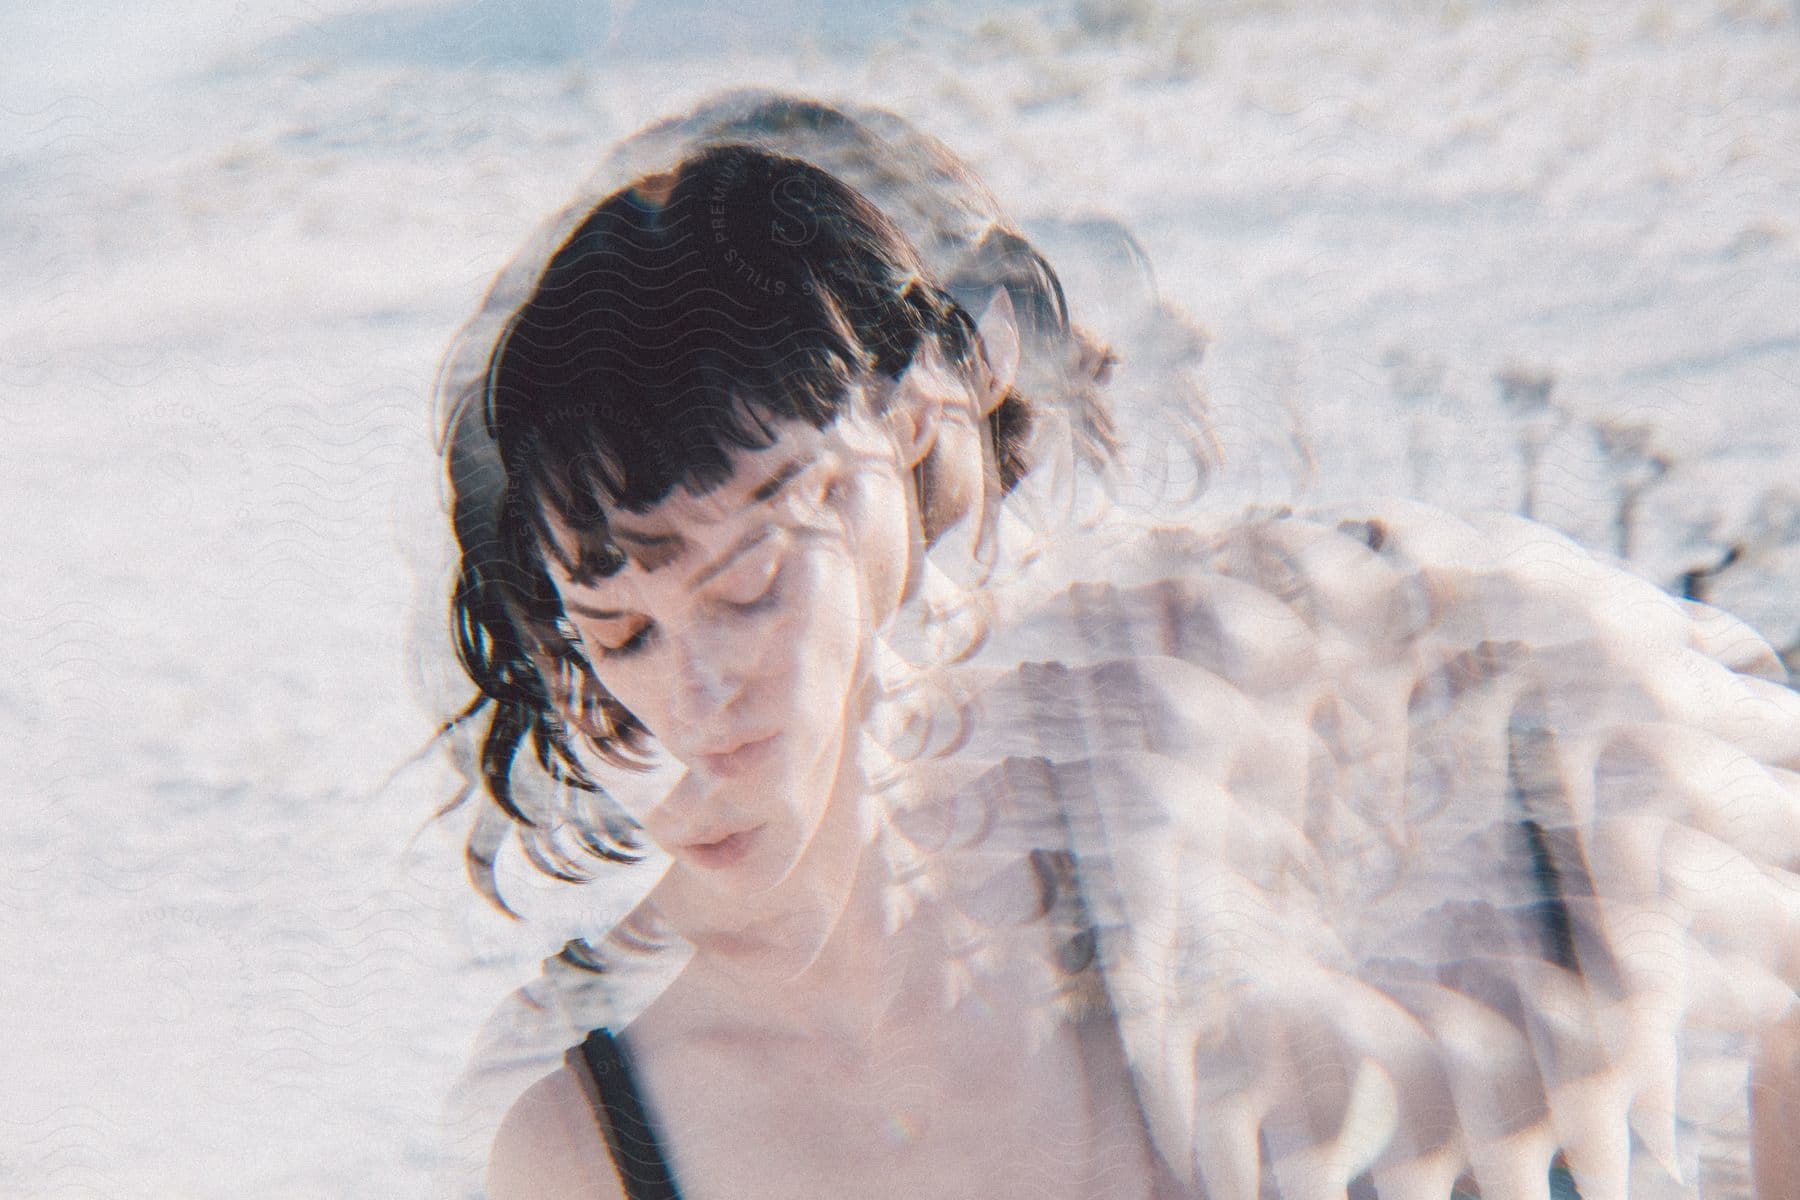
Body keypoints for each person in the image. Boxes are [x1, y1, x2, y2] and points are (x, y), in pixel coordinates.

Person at [436, 93, 1800, 1199]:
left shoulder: (1201, 765)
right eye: (619, 632)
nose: (700, 691)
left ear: (919, 453)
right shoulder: (593, 1141)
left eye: (747, 587)